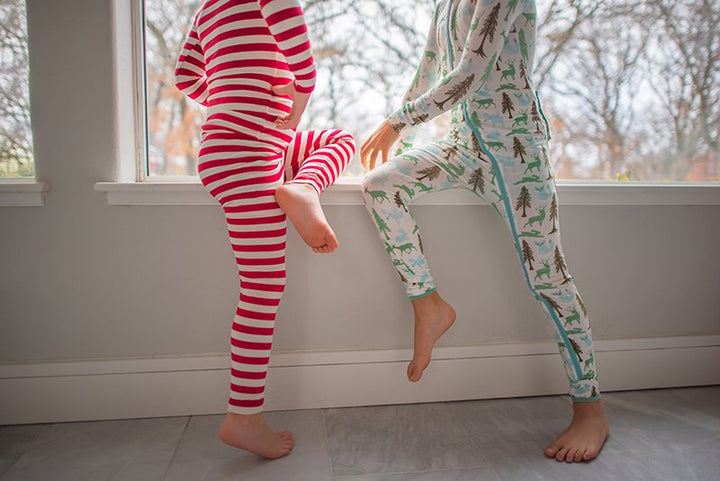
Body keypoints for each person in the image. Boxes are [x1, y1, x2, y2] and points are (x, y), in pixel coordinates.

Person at [360, 0, 608, 463]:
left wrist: (397, 123)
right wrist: (402, 142)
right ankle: (428, 303)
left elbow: (472, 71)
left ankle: (589, 406)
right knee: (379, 186)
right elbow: (429, 70)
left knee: (548, 279)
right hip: (458, 146)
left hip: (517, 154)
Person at [175, 0, 355, 459]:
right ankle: (244, 417)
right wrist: (294, 104)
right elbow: (305, 66)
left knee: (338, 138)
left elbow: (185, 77)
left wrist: (231, 104)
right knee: (262, 287)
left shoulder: (208, 8)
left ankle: (303, 186)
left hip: (230, 146)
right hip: (251, 151)